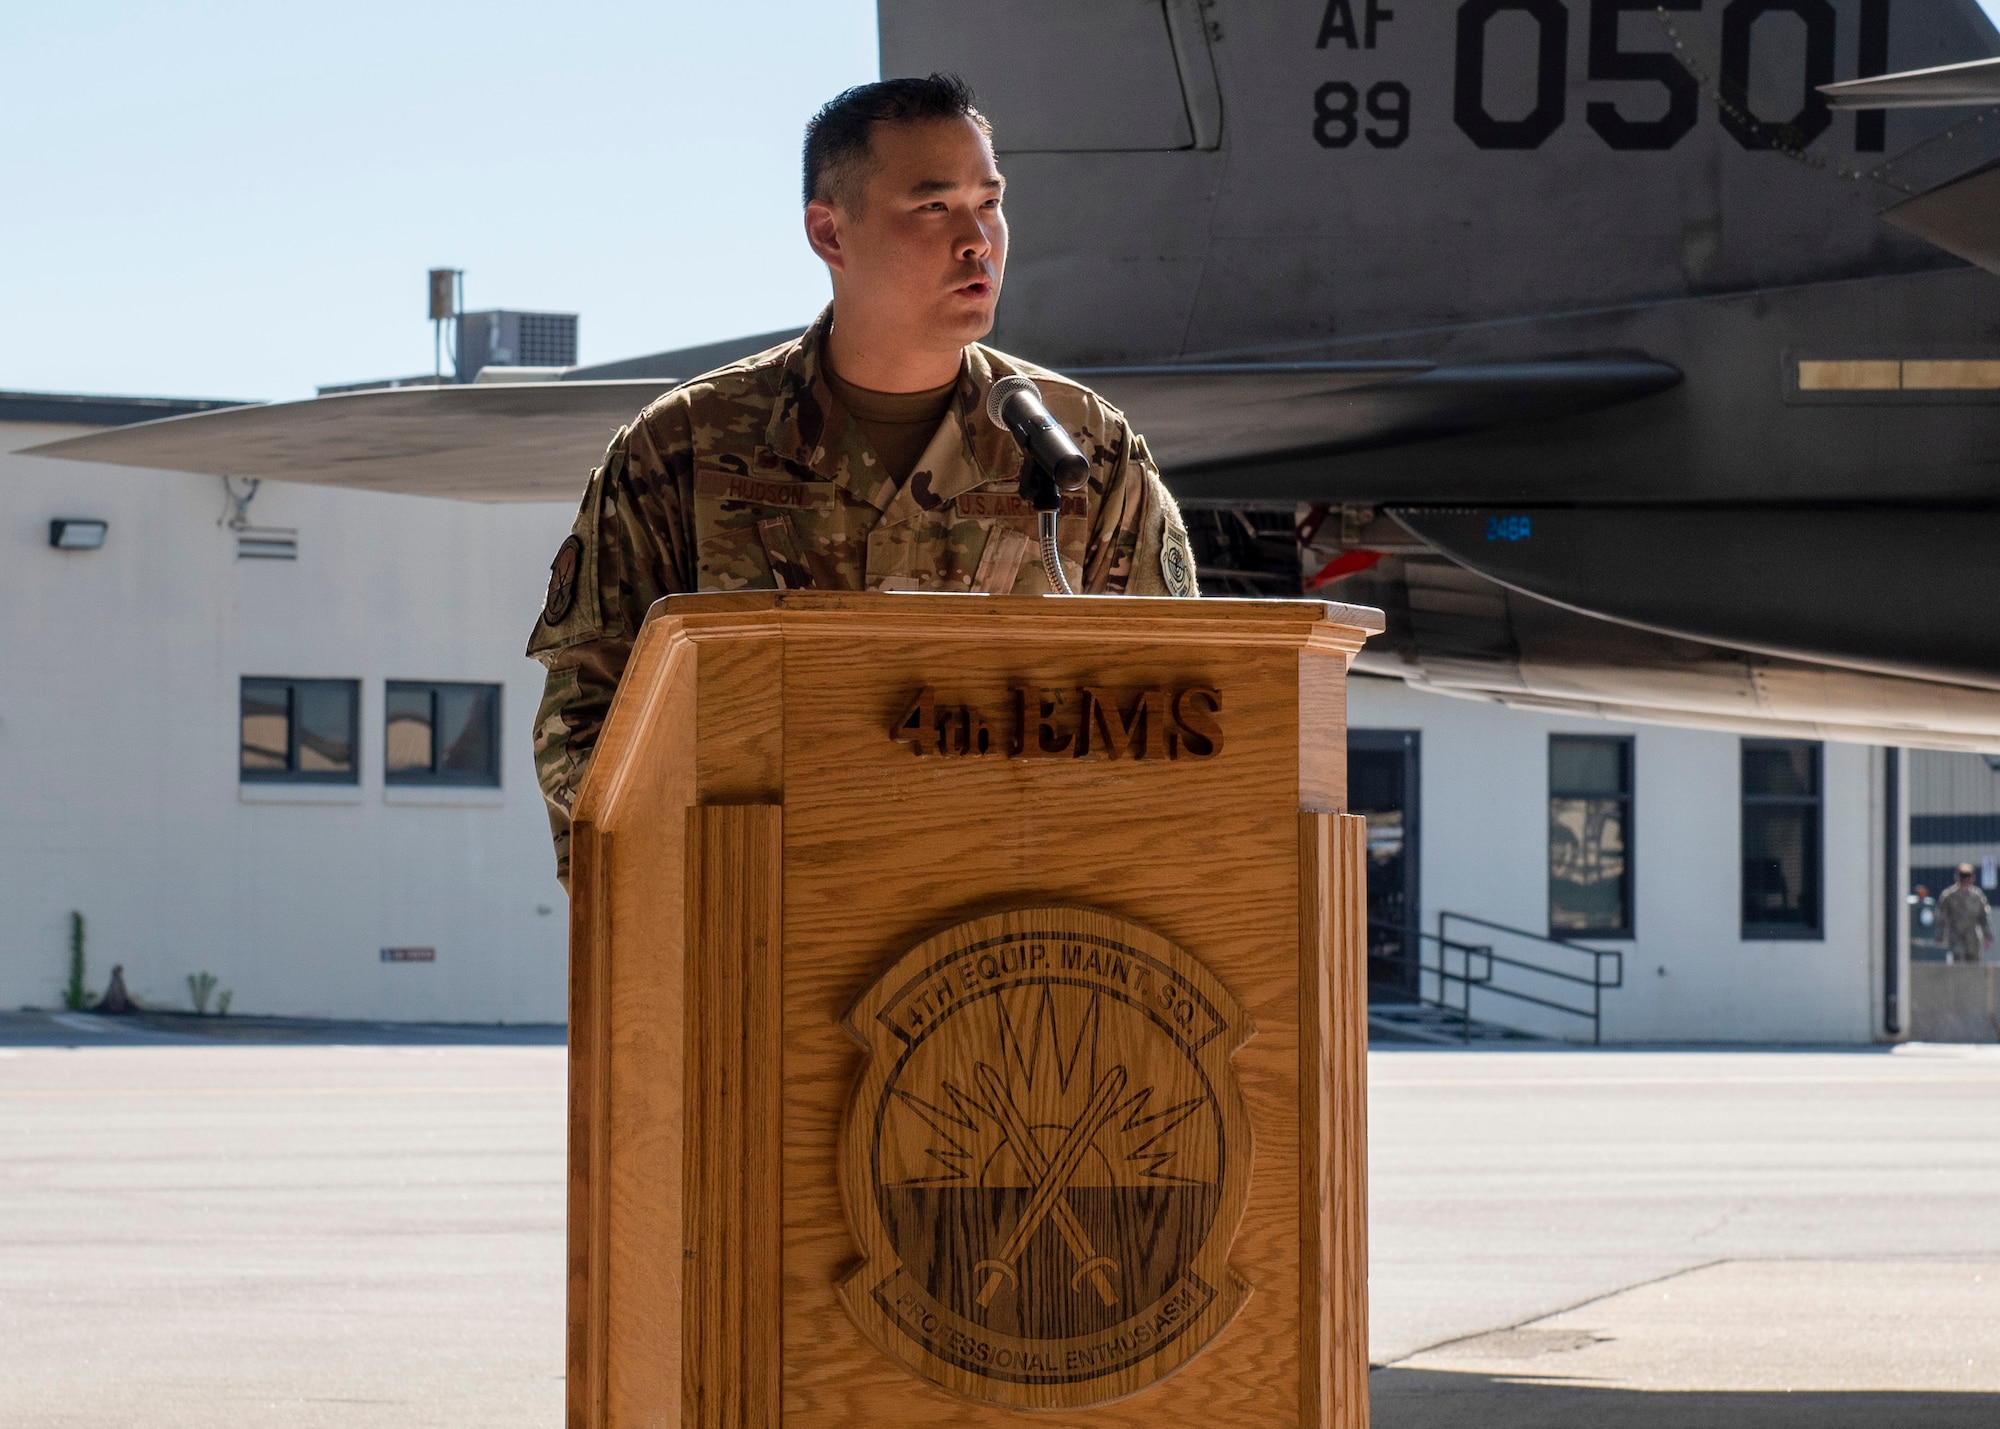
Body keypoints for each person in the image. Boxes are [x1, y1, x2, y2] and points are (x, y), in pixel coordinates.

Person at [526, 74, 1200, 884]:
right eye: (933, 207)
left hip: (1020, 942)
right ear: (829, 232)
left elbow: (1179, 707)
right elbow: (584, 734)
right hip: (755, 935)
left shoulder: (1083, 450)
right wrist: (676, 911)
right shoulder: (684, 449)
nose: (977, 239)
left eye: (989, 202)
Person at [1937, 863, 1992, 964]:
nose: (1965, 879)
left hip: (1973, 939)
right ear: (1957, 877)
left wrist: (1987, 936)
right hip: (1955, 938)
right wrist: (1940, 938)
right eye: (1962, 876)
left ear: (1972, 878)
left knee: (1974, 967)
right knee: (1958, 966)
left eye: (1968, 876)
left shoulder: (1978, 896)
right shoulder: (1949, 896)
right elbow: (1942, 919)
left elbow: (1984, 918)